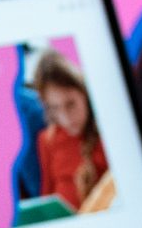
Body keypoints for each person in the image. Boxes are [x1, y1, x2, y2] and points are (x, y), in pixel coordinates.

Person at [29, 46, 106, 213]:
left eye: (71, 104)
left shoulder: (106, 133)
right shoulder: (47, 139)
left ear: (84, 93)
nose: (66, 119)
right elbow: (46, 199)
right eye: (55, 108)